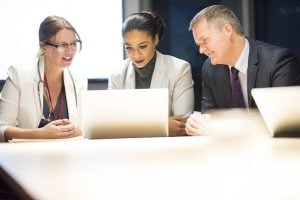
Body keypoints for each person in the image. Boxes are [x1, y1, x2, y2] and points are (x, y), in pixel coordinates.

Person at [185, 5, 300, 135]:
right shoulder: (210, 68)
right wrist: (197, 124)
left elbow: (283, 123)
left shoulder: (278, 61)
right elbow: (209, 116)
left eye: (205, 40)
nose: (201, 50)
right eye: (199, 45)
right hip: (228, 151)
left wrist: (219, 130)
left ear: (228, 30)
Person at [0, 16, 87, 142]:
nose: (70, 51)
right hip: (27, 157)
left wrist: (79, 130)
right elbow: (2, 129)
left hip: (68, 154)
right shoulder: (19, 75)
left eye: (73, 44)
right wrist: (41, 134)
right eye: (62, 45)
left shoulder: (79, 79)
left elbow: (85, 127)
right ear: (43, 47)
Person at [108, 11, 194, 136]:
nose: (136, 55)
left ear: (156, 39)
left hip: (168, 149)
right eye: (129, 48)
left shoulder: (179, 69)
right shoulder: (117, 74)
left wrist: (130, 126)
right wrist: (162, 126)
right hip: (128, 148)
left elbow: (181, 125)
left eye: (142, 46)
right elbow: (111, 124)